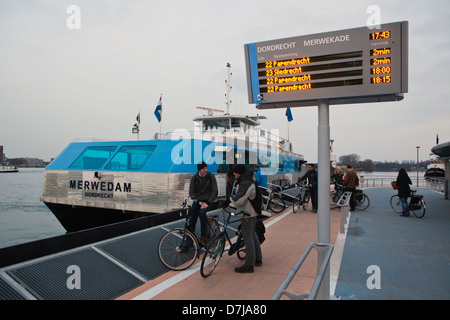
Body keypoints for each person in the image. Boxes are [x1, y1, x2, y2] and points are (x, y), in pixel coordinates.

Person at [229, 164, 262, 273]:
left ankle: (249, 265)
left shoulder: (246, 183)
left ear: (240, 173)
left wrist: (230, 198)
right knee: (253, 235)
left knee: (248, 238)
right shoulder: (247, 180)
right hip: (252, 212)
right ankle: (258, 259)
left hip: (247, 213)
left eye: (235, 172)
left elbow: (238, 200)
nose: (234, 174)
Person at [187, 161, 218, 242]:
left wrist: (207, 203)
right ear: (199, 169)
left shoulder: (210, 176)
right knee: (192, 218)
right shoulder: (194, 178)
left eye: (206, 168)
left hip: (208, 201)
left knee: (202, 213)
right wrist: (198, 201)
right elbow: (191, 192)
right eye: (204, 168)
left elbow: (214, 191)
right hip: (198, 201)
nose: (206, 170)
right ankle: (189, 239)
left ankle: (204, 235)